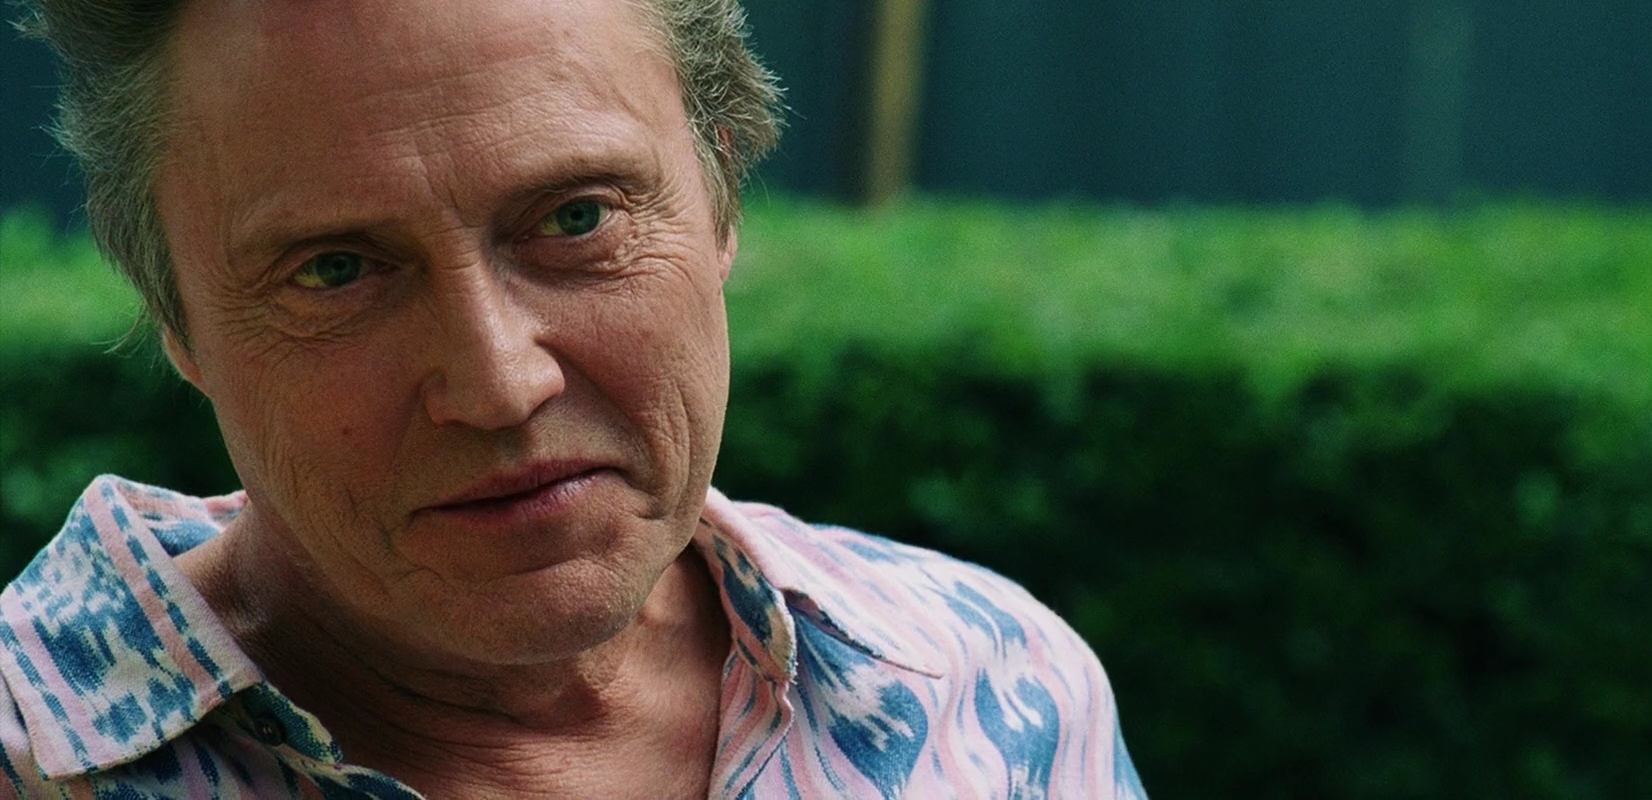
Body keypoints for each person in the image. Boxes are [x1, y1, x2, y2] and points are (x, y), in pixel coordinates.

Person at [2, 0, 1145, 795]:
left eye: (577, 217)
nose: (501, 385)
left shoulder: (991, 690)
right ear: (177, 314)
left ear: (722, 195)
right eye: (337, 270)